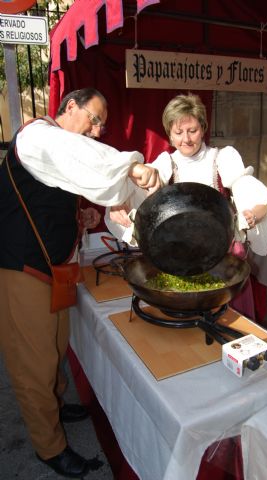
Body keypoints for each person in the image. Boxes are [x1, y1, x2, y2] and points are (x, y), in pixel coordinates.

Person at [0, 88, 161, 478]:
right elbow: (80, 158)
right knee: (33, 364)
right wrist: (130, 166)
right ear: (70, 107)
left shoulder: (58, 149)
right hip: (22, 267)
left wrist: (81, 220)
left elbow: (54, 193)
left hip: (54, 267)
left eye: (103, 124)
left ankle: (54, 404)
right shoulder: (38, 135)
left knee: (55, 346)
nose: (98, 129)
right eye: (94, 118)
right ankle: (48, 446)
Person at [107, 92, 267, 321]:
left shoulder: (222, 158)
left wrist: (255, 212)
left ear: (204, 128)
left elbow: (255, 196)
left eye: (192, 131)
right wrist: (119, 203)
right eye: (178, 133)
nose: (186, 139)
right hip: (179, 258)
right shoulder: (165, 163)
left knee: (227, 322)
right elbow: (135, 189)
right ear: (169, 134)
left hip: (220, 257)